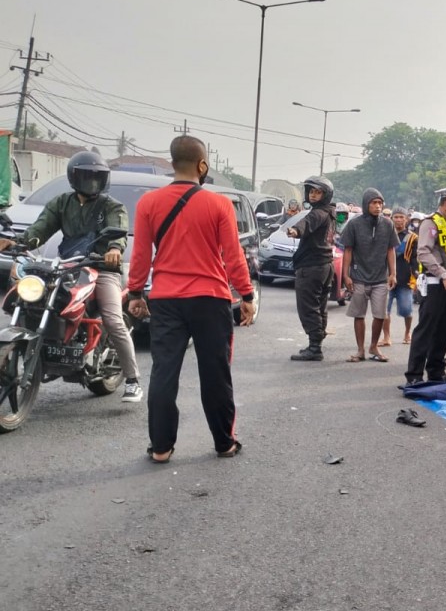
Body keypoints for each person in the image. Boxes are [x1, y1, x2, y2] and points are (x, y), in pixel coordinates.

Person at [126, 135, 255, 462]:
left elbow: (140, 254)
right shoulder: (219, 204)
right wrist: (248, 294)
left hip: (166, 300)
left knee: (164, 372)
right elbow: (233, 256)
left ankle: (161, 448)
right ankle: (224, 443)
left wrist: (136, 292)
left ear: (172, 164)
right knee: (215, 373)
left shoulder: (148, 204)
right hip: (211, 300)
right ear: (202, 166)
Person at [0, 151, 143, 401]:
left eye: (97, 178)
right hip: (68, 264)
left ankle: (132, 380)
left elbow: (118, 234)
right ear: (74, 178)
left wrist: (112, 250)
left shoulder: (112, 206)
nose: (92, 183)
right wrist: (18, 243)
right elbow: (40, 229)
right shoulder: (61, 203)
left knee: (112, 318)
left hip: (102, 269)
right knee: (33, 299)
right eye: (87, 177)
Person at [405, 185, 446, 385]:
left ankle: (436, 372)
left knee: (444, 330)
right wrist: (444, 275)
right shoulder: (430, 223)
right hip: (435, 283)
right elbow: (423, 253)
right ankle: (414, 376)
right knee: (426, 330)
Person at [340, 188, 398, 362]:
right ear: (366, 204)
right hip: (358, 276)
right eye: (374, 203)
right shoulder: (354, 224)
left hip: (380, 278)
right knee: (359, 314)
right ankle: (360, 350)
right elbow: (348, 251)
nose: (378, 206)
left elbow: (391, 250)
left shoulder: (388, 224)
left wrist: (393, 273)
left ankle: (373, 347)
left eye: (380, 203)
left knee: (380, 315)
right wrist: (346, 275)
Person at [286, 176, 336, 361]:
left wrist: (294, 231)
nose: (314, 195)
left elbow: (305, 224)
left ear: (326, 195)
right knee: (320, 306)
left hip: (312, 266)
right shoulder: (330, 212)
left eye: (318, 192)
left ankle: (315, 347)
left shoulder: (318, 213)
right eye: (312, 191)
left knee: (308, 307)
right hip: (325, 265)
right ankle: (317, 342)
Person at [382, 207, 414, 346]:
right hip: (385, 278)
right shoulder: (384, 235)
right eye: (396, 217)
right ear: (391, 219)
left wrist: (416, 277)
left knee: (406, 309)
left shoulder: (412, 238)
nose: (398, 220)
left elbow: (416, 259)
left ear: (406, 220)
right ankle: (386, 337)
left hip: (405, 279)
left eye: (401, 217)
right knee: (383, 310)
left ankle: (407, 332)